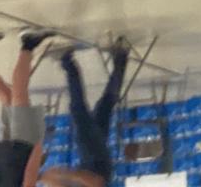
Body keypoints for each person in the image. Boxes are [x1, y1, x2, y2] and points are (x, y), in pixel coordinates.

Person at [0, 28, 57, 187]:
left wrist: (38, 147)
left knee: (19, 94)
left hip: (20, 151)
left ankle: (28, 44)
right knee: (7, 98)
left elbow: (29, 179)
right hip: (2, 154)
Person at [36, 39, 130, 187]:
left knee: (105, 105)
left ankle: (121, 57)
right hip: (93, 157)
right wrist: (68, 174)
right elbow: (95, 182)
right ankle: (67, 61)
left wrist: (42, 177)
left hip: (94, 158)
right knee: (78, 110)